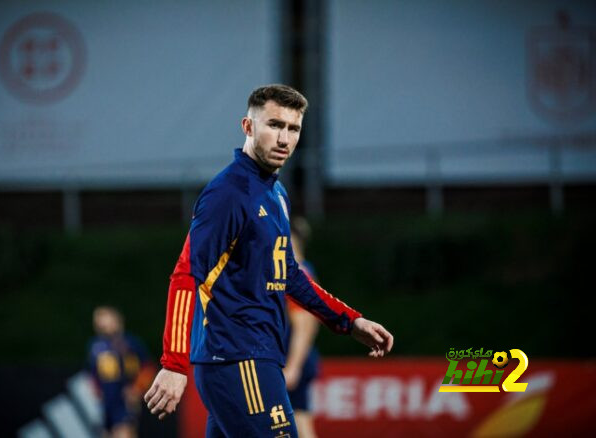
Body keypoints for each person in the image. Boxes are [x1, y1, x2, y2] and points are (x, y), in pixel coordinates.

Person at [144, 84, 393, 437]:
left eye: (293, 129)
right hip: (238, 357)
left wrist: (350, 321)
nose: (284, 138)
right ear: (248, 127)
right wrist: (173, 363)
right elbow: (187, 274)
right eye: (274, 125)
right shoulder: (228, 193)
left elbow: (289, 275)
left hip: (253, 356)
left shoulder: (275, 193)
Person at [88, 306, 155, 438]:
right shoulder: (95, 345)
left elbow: (148, 368)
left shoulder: (131, 343)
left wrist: (136, 389)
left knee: (124, 432)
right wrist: (96, 390)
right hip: (106, 401)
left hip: (124, 400)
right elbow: (92, 373)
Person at [283, 217, 320, 438]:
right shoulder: (306, 270)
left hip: (293, 358)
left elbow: (304, 325)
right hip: (299, 357)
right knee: (299, 418)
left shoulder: (296, 274)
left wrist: (293, 366)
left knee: (298, 420)